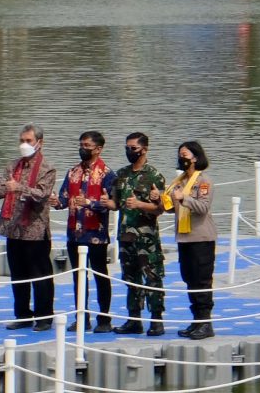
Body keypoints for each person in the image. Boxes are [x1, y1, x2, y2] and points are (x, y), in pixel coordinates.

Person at [0, 123, 56, 332]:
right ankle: (23, 314)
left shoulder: (47, 168)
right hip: (13, 228)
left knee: (40, 275)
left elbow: (42, 194)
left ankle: (44, 316)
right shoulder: (13, 166)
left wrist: (20, 188)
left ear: (39, 143)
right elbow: (2, 191)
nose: (24, 144)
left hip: (35, 229)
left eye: (28, 141)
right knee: (18, 275)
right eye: (22, 140)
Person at [100, 132, 166, 336]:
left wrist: (141, 204)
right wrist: (106, 203)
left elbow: (160, 209)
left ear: (144, 149)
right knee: (130, 277)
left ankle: (156, 320)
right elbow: (116, 203)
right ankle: (133, 319)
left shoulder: (154, 176)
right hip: (126, 235)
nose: (130, 152)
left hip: (147, 238)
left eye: (134, 148)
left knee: (152, 277)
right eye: (127, 148)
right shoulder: (121, 175)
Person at [51, 131, 116, 333]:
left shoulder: (108, 174)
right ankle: (82, 317)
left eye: (87, 145)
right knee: (78, 277)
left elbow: (112, 204)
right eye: (81, 144)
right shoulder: (72, 172)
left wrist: (89, 203)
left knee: (100, 275)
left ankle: (104, 318)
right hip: (74, 234)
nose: (83, 149)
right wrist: (56, 202)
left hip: (96, 233)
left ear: (98, 148)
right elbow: (63, 199)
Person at [159, 141, 216, 340]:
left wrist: (184, 198)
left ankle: (205, 323)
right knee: (189, 279)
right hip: (184, 238)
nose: (181, 158)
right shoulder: (179, 181)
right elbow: (170, 207)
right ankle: (196, 321)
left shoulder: (203, 181)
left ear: (195, 157)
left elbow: (202, 208)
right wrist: (160, 198)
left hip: (201, 237)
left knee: (201, 280)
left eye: (185, 154)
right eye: (180, 154)